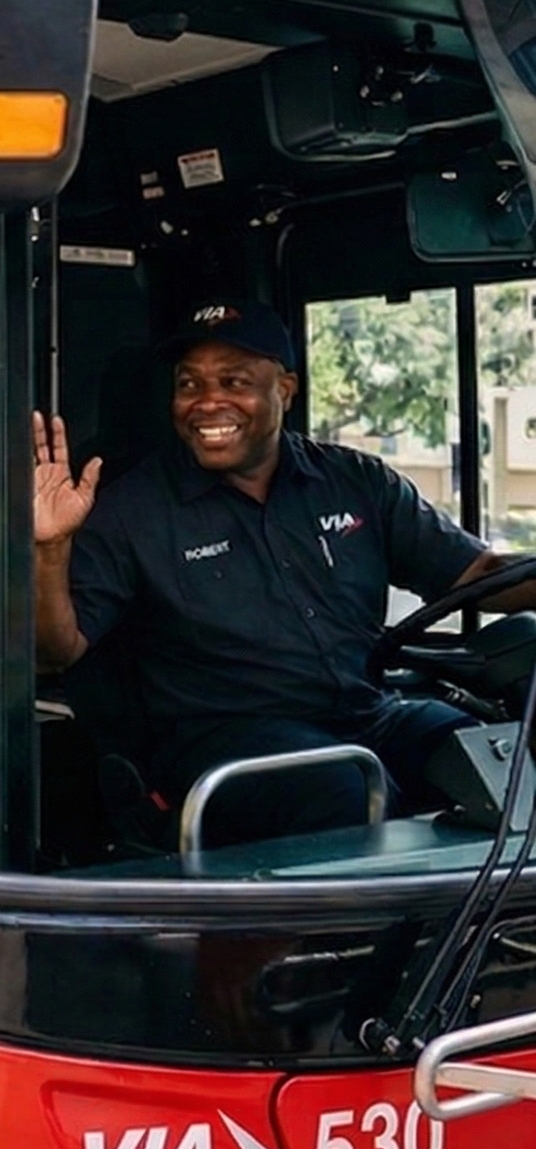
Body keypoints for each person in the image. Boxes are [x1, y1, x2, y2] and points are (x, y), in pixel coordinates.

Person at [33, 297, 536, 846]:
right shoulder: (132, 510)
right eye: (189, 385)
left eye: (234, 381)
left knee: (501, 768)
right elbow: (57, 649)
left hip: (369, 713)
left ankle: (464, 930)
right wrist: (51, 547)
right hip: (223, 736)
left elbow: (479, 574)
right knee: (342, 789)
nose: (208, 403)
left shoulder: (355, 481)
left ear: (287, 390)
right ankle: (299, 935)